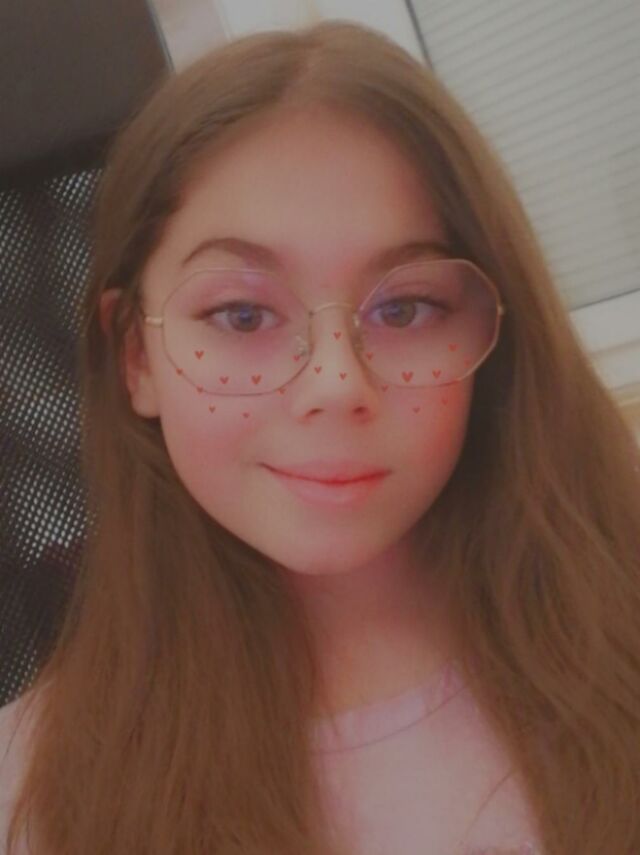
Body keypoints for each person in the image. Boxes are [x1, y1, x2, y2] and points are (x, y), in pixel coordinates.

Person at [1, 19, 639, 855]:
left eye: (406, 308)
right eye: (241, 314)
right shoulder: (34, 794)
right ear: (136, 357)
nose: (336, 383)